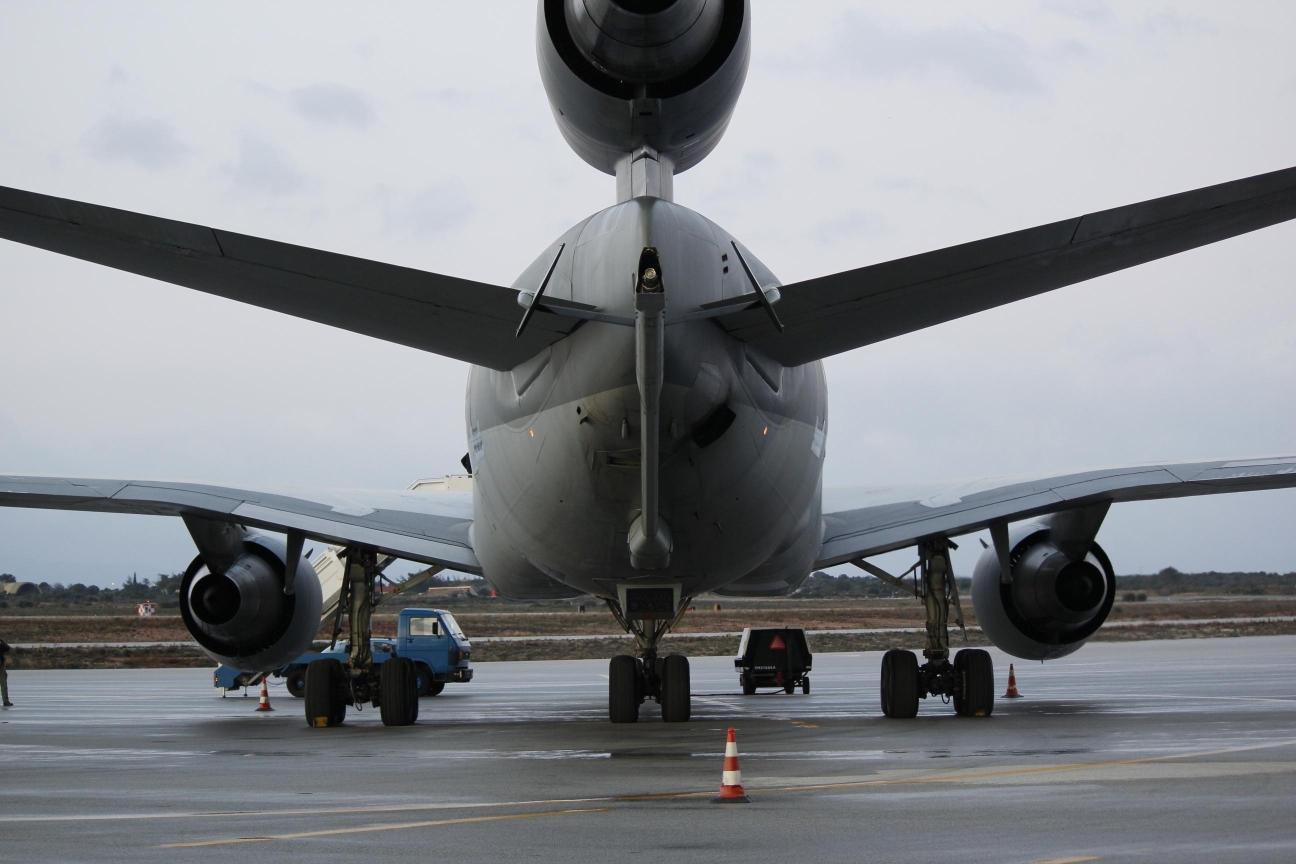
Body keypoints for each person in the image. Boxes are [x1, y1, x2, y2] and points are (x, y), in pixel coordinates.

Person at [0, 637, 13, 706]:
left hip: (1, 667)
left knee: (4, 685)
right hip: (1, 668)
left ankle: (6, 701)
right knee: (3, 685)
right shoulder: (1, 646)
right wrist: (2, 640)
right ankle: (6, 701)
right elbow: (7, 647)